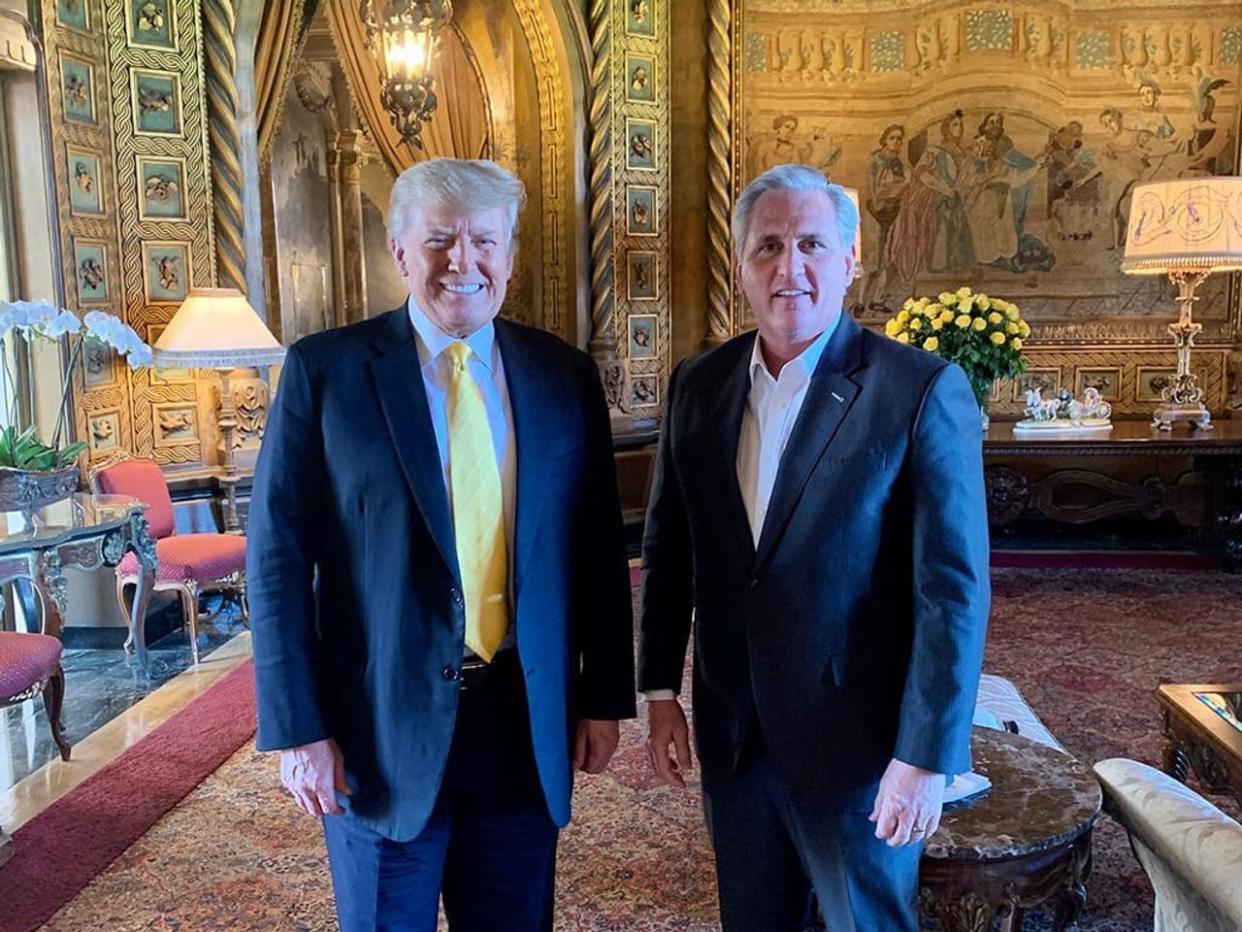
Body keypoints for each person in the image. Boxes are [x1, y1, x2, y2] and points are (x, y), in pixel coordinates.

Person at [248, 158, 635, 932]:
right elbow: (278, 561)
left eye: (483, 241)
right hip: (378, 730)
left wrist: (602, 699)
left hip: (523, 726)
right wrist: (297, 729)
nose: (463, 261)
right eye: (439, 241)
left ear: (510, 255)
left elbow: (596, 549)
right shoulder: (326, 373)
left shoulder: (562, 375)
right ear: (400, 251)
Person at [639, 163, 990, 931]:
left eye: (809, 244)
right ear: (741, 267)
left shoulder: (918, 390)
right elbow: (670, 551)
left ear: (850, 257)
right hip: (735, 735)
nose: (787, 267)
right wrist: (660, 692)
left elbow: (952, 592)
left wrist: (926, 756)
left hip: (861, 749)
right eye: (767, 246)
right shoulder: (698, 386)